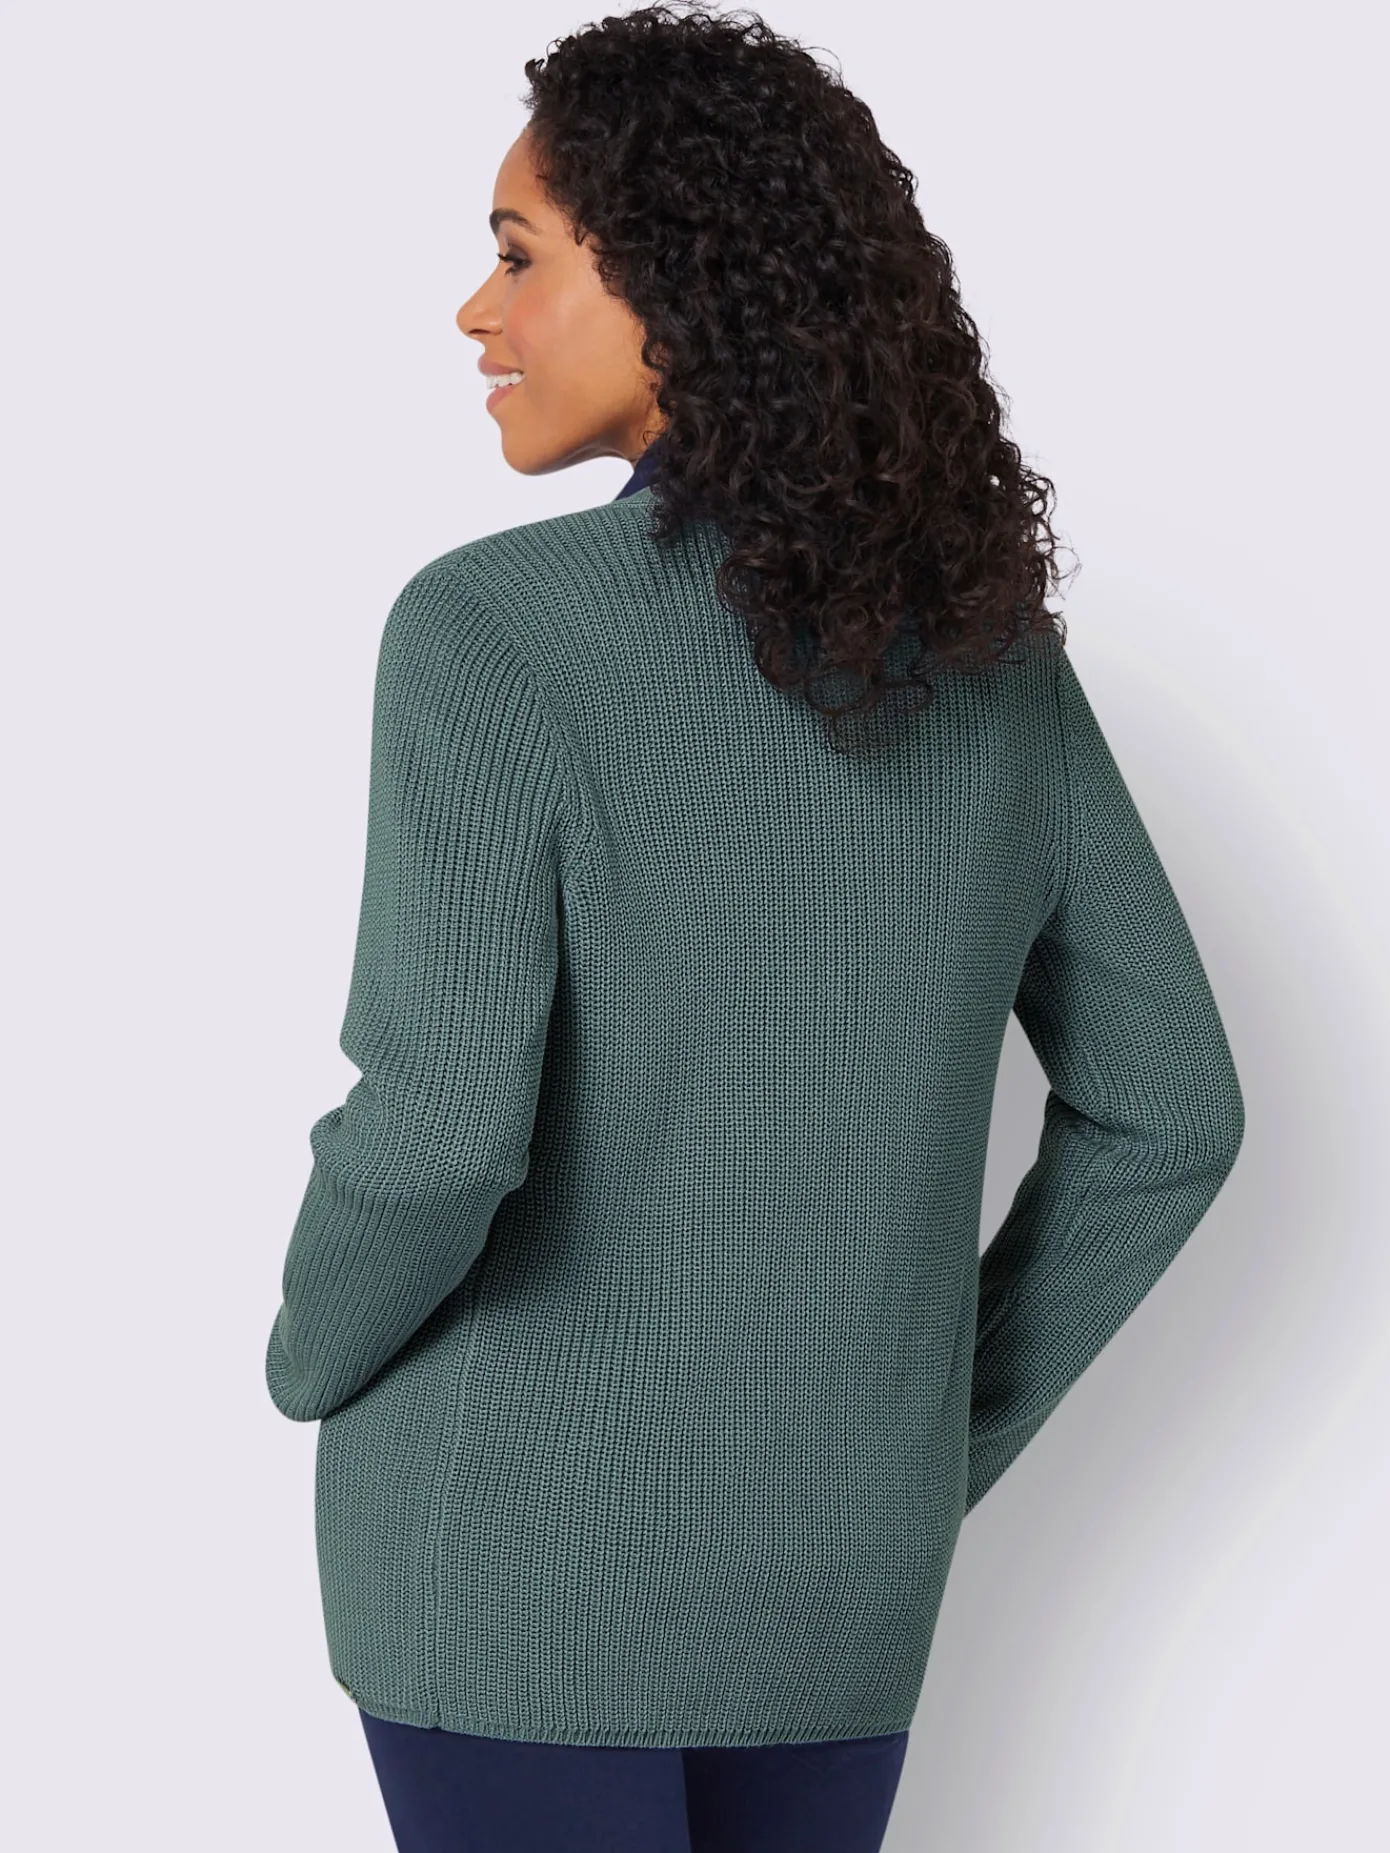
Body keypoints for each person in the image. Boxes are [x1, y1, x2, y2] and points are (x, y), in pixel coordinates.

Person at [263, 7, 1245, 1849]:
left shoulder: (489, 631)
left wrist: (306, 1352)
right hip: (839, 1581)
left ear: (677, 278)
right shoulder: (990, 672)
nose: (475, 313)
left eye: (517, 257)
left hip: (512, 1564)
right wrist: (918, 1435)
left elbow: (439, 1132)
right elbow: (1171, 1110)